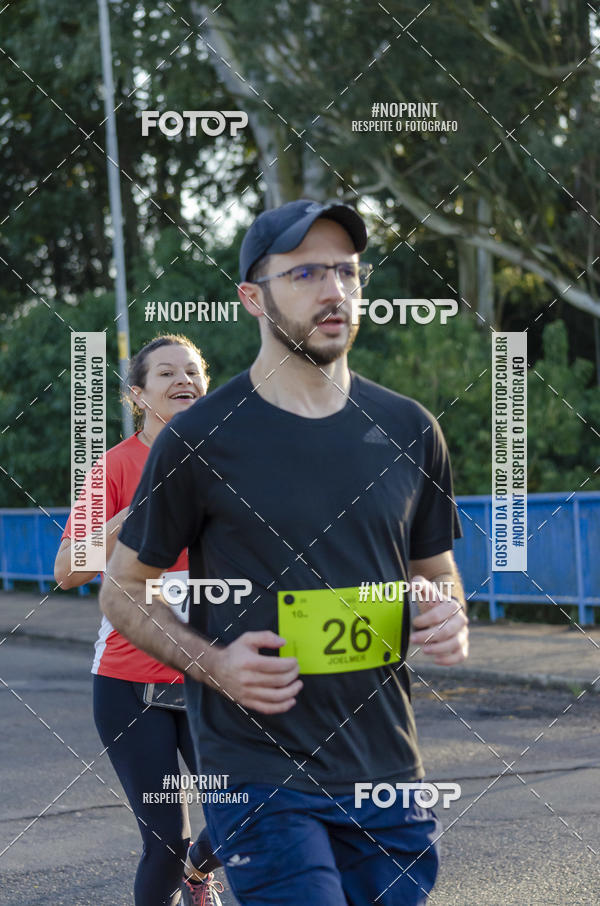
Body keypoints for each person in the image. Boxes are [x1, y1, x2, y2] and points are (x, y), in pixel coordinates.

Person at [100, 199, 470, 906]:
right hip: (260, 772)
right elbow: (122, 590)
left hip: (387, 770)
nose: (334, 291)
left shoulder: (410, 429)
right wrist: (215, 665)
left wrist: (447, 610)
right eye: (304, 274)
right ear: (252, 297)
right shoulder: (201, 439)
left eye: (346, 272)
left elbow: (436, 572)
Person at [54, 335, 224, 906]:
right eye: (167, 373)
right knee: (165, 842)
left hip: (214, 678)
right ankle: (182, 868)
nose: (184, 380)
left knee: (252, 810)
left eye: (193, 371)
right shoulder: (115, 466)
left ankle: (198, 874)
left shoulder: (231, 462)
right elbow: (67, 570)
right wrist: (133, 514)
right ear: (137, 395)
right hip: (131, 685)